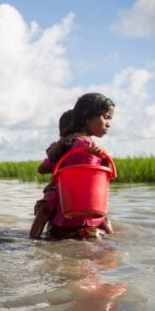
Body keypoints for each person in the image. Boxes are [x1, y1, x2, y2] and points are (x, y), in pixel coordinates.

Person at [45, 93, 116, 240]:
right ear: (87, 116)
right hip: (82, 213)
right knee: (106, 244)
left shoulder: (70, 141)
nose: (109, 124)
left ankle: (36, 237)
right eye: (106, 117)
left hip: (64, 212)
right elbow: (91, 179)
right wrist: (105, 159)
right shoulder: (85, 145)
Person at [29, 110, 77, 239]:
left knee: (45, 208)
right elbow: (44, 167)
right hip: (77, 192)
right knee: (103, 216)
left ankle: (33, 237)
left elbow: (42, 168)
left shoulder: (64, 147)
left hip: (63, 190)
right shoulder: (63, 147)